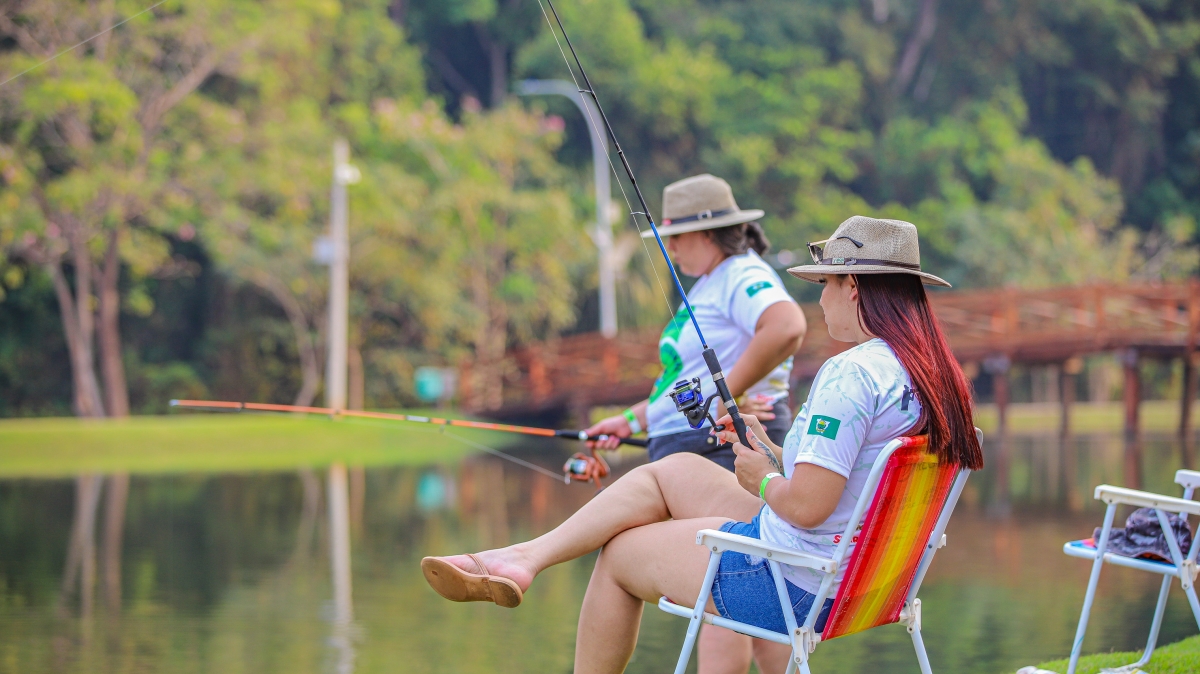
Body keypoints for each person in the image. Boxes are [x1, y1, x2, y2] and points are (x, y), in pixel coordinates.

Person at [421, 216, 984, 674]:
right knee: (673, 470)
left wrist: (762, 478)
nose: (820, 302)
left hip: (796, 582)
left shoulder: (851, 374)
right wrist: (769, 451)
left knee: (619, 556)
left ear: (853, 286)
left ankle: (522, 564)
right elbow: (848, 485)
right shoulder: (935, 376)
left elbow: (810, 506)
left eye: (825, 286)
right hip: (871, 581)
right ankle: (524, 558)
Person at [583, 173, 806, 673]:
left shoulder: (741, 275)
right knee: (744, 593)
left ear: (706, 233)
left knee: (725, 590)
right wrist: (630, 419)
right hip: (696, 447)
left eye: (676, 237)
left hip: (723, 450)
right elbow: (685, 384)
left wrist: (726, 397)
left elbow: (787, 325)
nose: (671, 249)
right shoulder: (711, 284)